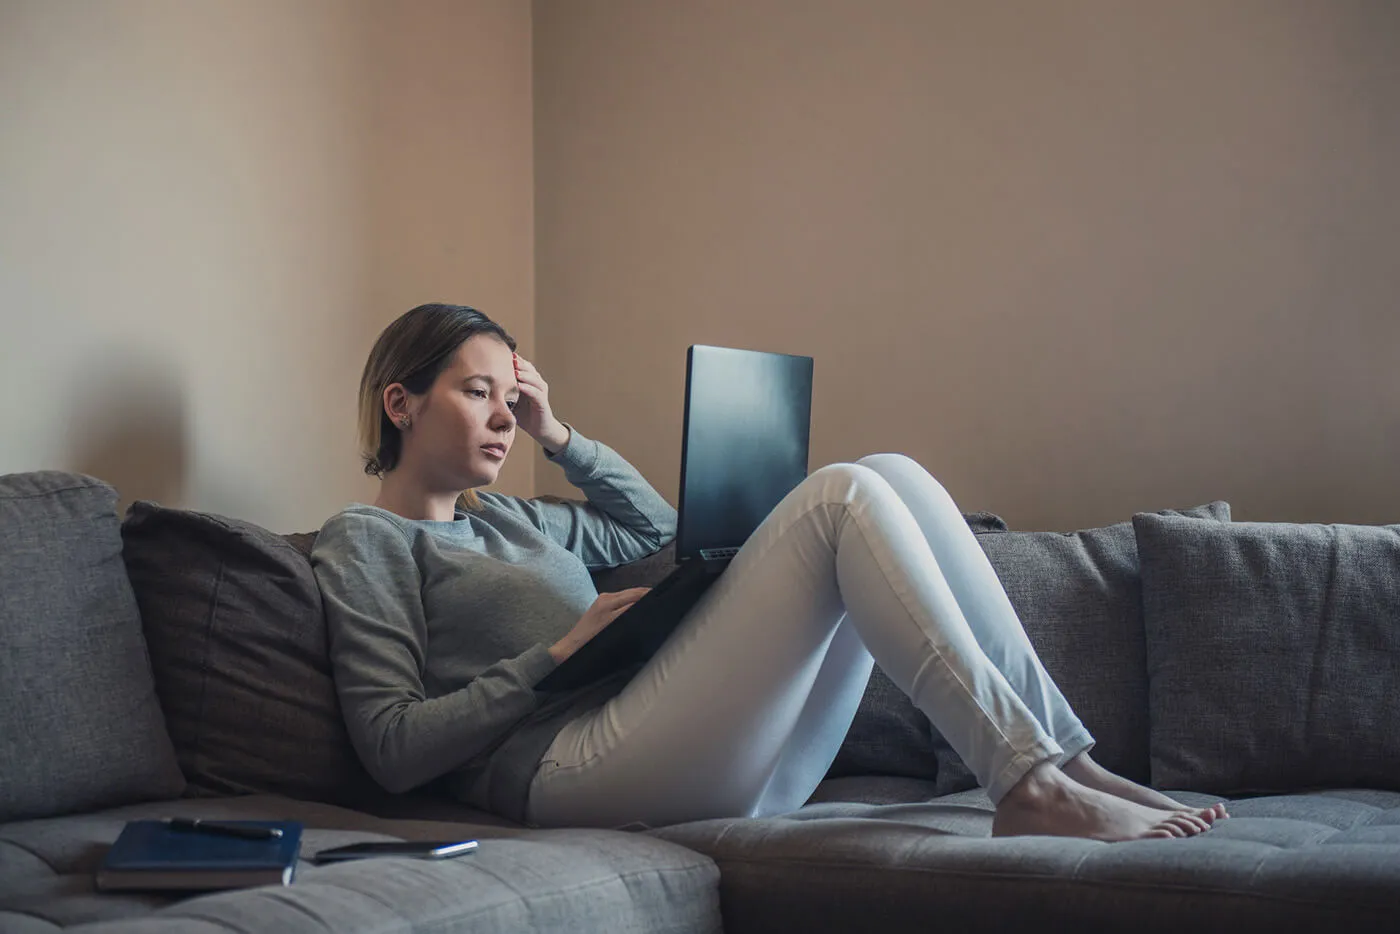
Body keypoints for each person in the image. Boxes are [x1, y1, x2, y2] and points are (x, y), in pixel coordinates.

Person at [310, 303, 1229, 840]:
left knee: (893, 474)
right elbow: (391, 748)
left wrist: (562, 434)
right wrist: (556, 655)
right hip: (566, 771)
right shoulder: (366, 540)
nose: (504, 418)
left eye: (511, 400)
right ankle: (1025, 787)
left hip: (701, 763)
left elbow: (662, 529)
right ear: (401, 403)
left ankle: (1065, 759)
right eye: (479, 394)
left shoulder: (512, 518)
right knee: (837, 498)